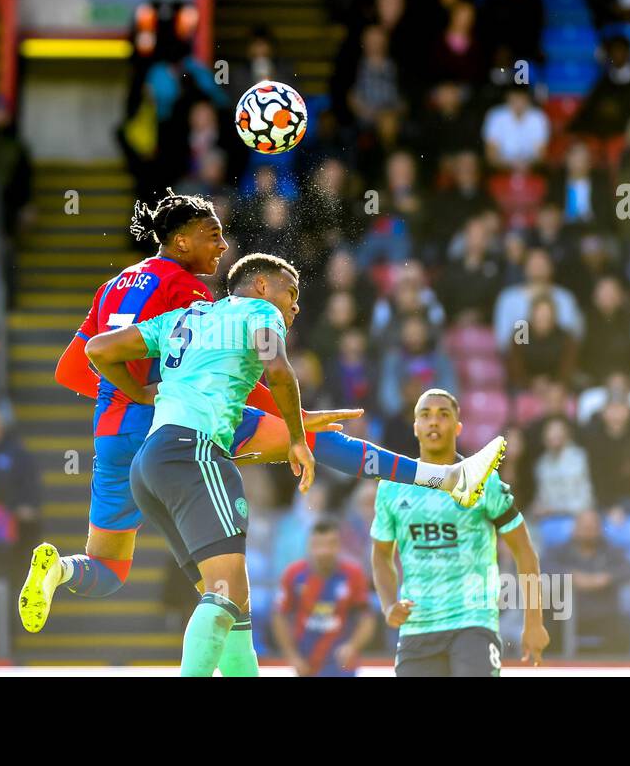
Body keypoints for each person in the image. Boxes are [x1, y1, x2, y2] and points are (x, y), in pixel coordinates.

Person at [20, 193, 507, 635]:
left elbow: (73, 368)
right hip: (175, 425)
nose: (221, 246)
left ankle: (60, 570)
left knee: (109, 570)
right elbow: (222, 375)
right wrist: (289, 416)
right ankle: (445, 478)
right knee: (317, 441)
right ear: (181, 239)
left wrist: (130, 393)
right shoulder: (189, 291)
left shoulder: (112, 286)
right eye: (213, 236)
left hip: (111, 436)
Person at [89, 255, 506, 676]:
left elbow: (99, 349)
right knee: (223, 598)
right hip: (194, 452)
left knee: (235, 607)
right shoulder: (260, 311)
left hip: (149, 465)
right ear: (263, 287)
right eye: (291, 292)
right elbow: (280, 373)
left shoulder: (186, 317)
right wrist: (294, 435)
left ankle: (449, 477)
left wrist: (142, 394)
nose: (295, 306)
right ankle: (449, 477)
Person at [370, 388, 547, 676]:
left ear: (458, 426)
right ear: (415, 427)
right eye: (425, 415)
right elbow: (380, 555)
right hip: (418, 626)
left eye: (443, 415)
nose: (434, 422)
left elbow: (524, 550)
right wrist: (389, 604)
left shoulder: (483, 481)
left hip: (473, 622)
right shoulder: (392, 485)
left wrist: (534, 622)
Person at [271, 519, 376, 677]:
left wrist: (352, 646)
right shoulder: (293, 574)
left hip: (342, 665)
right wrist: (292, 656)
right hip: (306, 663)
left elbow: (367, 618)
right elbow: (279, 615)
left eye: (331, 544)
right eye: (318, 544)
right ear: (309, 546)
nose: (324, 551)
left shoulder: (354, 574)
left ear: (339, 546)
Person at [541, 509, 630, 654]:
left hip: (602, 614)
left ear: (599, 529)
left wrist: (606, 578)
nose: (588, 531)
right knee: (543, 629)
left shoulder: (610, 551)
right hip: (563, 615)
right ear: (575, 528)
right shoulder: (559, 550)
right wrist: (571, 576)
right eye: (584, 527)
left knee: (623, 628)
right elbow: (542, 566)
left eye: (592, 527)